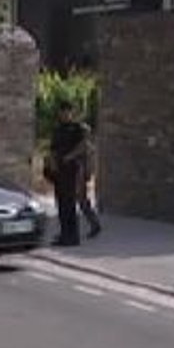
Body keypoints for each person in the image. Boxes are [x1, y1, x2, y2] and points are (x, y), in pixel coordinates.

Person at [49, 100, 87, 247]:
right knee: (60, 203)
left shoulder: (76, 128)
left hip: (71, 169)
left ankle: (73, 236)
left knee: (70, 203)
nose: (65, 114)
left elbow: (83, 146)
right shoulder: (57, 129)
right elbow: (52, 148)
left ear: (71, 113)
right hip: (59, 170)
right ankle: (64, 234)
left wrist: (69, 156)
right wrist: (52, 163)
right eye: (62, 111)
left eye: (67, 111)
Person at [76, 123, 102, 239]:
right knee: (83, 202)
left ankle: (94, 224)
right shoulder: (89, 146)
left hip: (80, 177)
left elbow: (90, 164)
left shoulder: (85, 145)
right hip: (82, 176)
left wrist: (87, 174)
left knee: (83, 202)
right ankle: (94, 223)